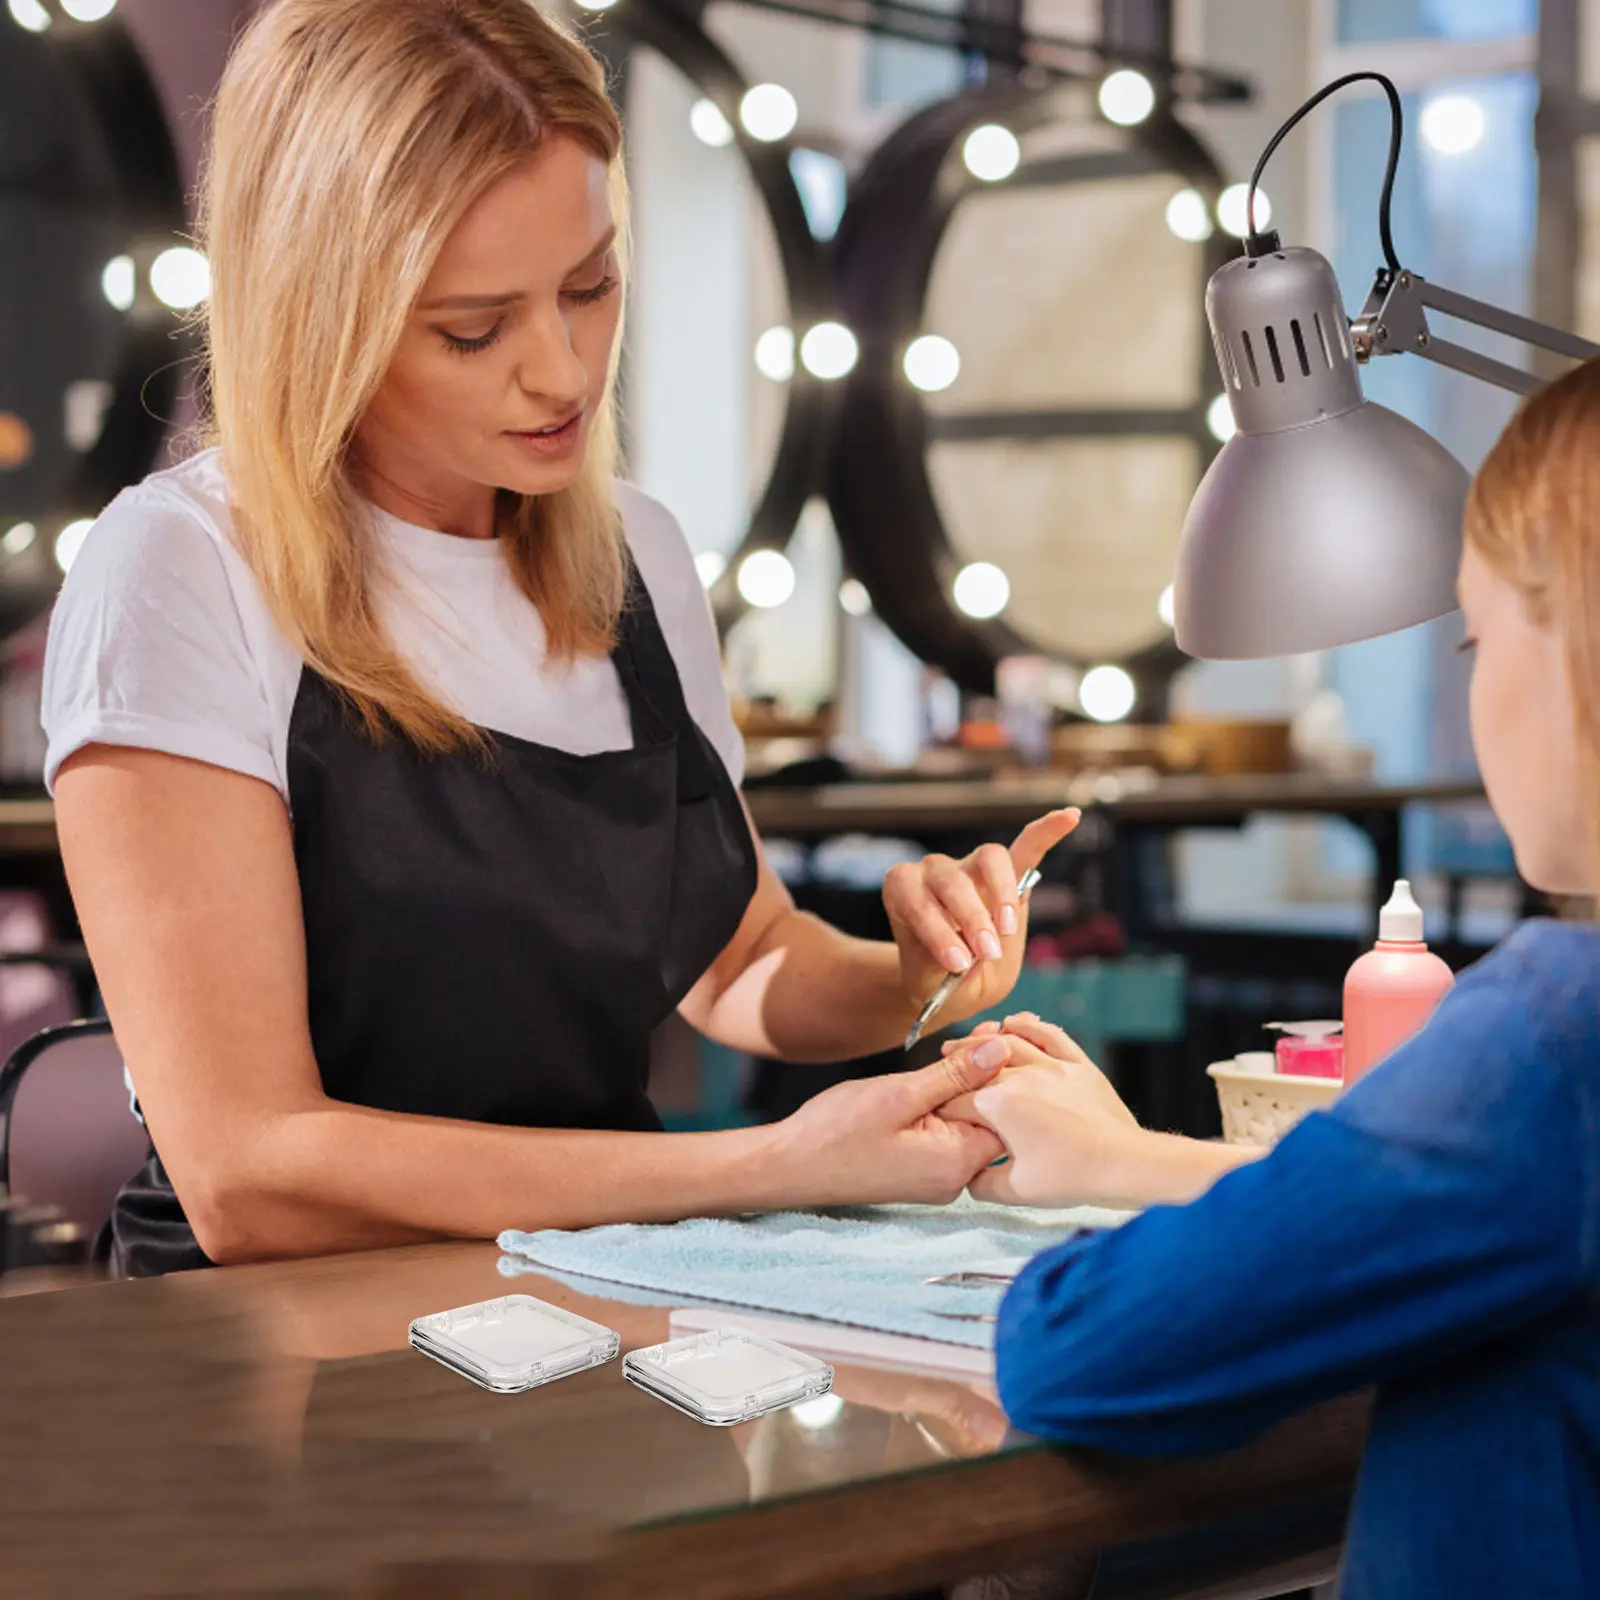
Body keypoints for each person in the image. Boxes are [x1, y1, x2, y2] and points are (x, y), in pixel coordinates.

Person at [42, 0, 1077, 1276]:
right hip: (278, 1359)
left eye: (591, 287)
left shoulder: (633, 558)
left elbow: (739, 958)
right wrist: (768, 1168)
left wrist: (909, 976)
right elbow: (251, 1176)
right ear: (323, 316)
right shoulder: (183, 570)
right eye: (474, 329)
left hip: (589, 1301)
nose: (564, 372)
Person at [938, 360, 1600, 1597]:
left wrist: (1114, 1199)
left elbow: (1075, 1349)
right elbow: (1460, 1209)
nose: (1471, 698)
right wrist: (1126, 1159)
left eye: (1474, 635)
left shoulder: (1553, 1038)